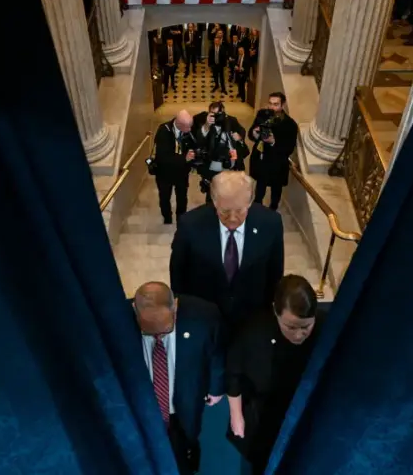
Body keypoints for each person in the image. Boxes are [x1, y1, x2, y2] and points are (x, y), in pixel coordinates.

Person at [225, 275, 322, 474]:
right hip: (264, 410)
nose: (298, 335)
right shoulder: (253, 331)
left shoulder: (325, 327)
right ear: (275, 312)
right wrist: (236, 415)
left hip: (305, 407)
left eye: (306, 327)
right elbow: (234, 373)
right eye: (291, 327)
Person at [170, 171, 284, 339]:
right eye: (224, 211)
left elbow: (275, 273)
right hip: (204, 320)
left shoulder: (271, 223)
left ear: (250, 201)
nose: (232, 218)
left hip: (251, 320)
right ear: (214, 202)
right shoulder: (190, 224)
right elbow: (178, 274)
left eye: (239, 211)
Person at [132, 282, 224, 474]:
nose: (158, 335)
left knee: (183, 453)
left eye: (165, 329)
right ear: (135, 310)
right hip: (143, 410)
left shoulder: (203, 316)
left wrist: (215, 388)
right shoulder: (119, 322)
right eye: (150, 331)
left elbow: (216, 352)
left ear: (175, 306)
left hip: (183, 404)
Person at [247, 93, 298, 210]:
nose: (271, 107)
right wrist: (255, 133)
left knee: (276, 191)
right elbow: (251, 134)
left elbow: (289, 148)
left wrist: (273, 142)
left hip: (277, 163)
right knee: (259, 189)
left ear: (283, 105)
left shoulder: (290, 125)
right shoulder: (262, 114)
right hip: (261, 159)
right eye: (270, 103)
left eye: (276, 104)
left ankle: (272, 212)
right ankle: (257, 209)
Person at [192, 102, 249, 202]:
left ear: (223, 111)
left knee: (230, 194)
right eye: (213, 114)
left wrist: (239, 137)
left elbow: (242, 131)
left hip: (230, 164)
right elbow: (199, 140)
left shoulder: (231, 120)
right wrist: (207, 125)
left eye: (219, 114)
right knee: (212, 194)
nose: (217, 117)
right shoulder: (205, 122)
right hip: (213, 164)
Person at [153, 110, 197, 224]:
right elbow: (163, 158)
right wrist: (184, 159)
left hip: (181, 173)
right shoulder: (163, 131)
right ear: (179, 124)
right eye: (188, 127)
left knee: (182, 197)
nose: (190, 130)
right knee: (164, 197)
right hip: (164, 174)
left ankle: (181, 218)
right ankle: (167, 217)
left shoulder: (188, 130)